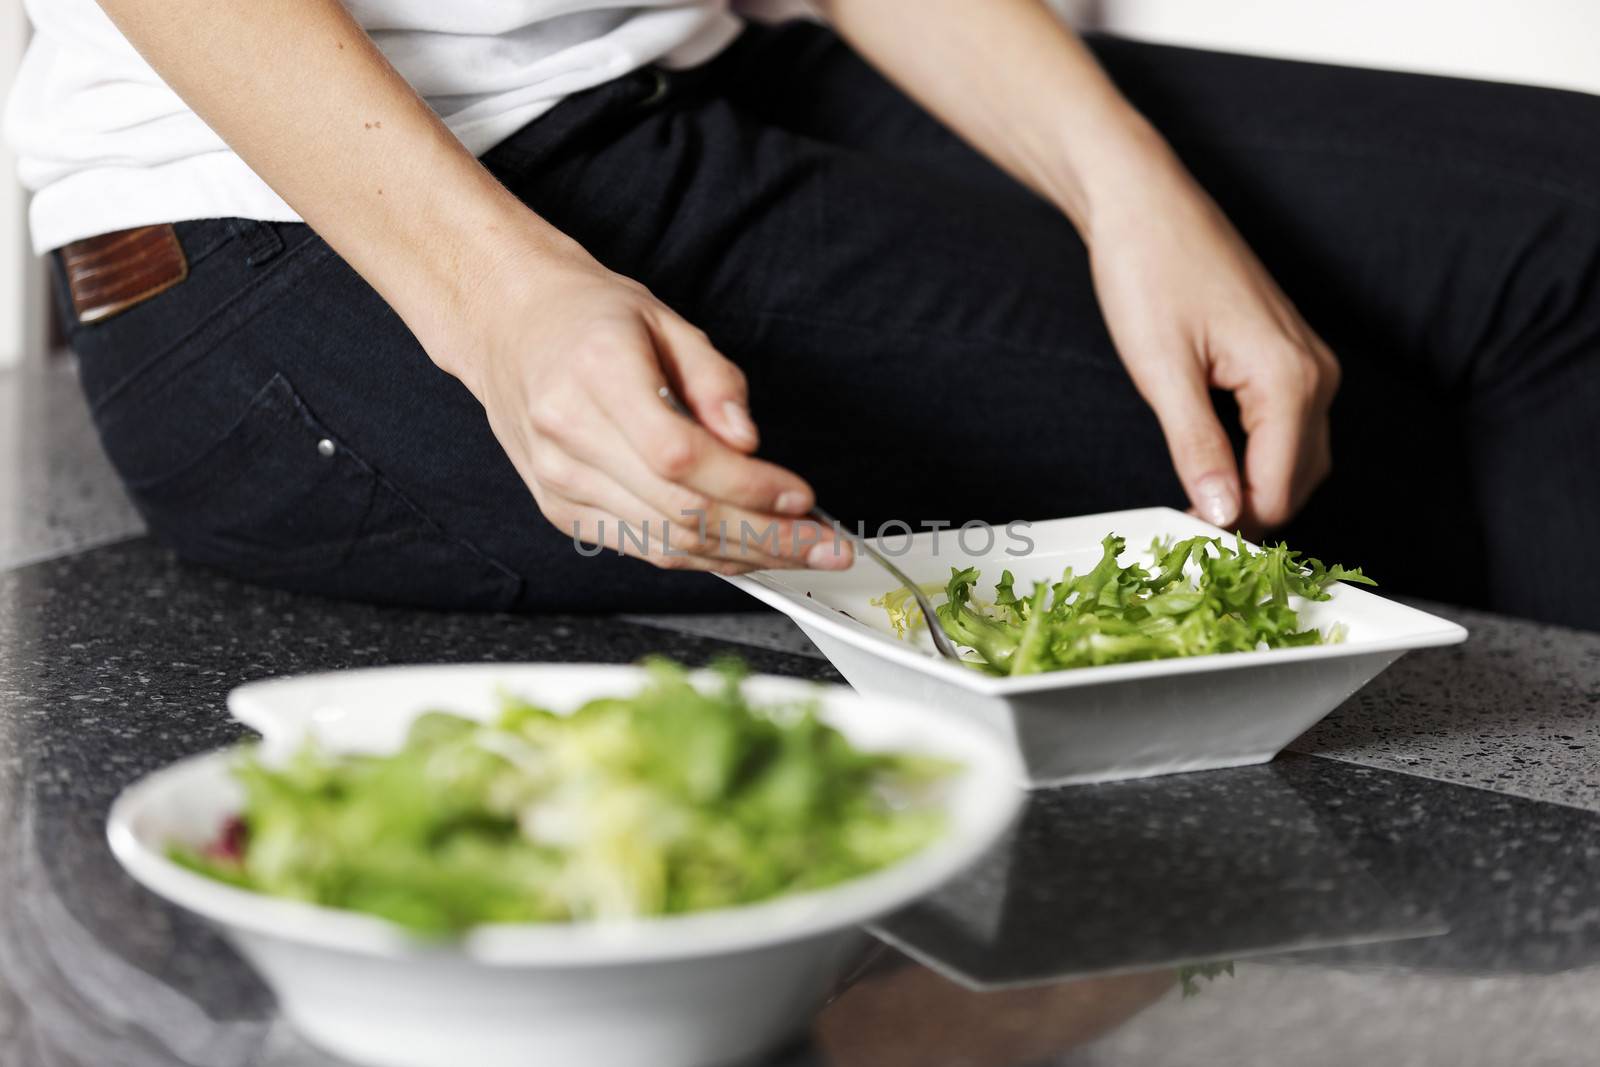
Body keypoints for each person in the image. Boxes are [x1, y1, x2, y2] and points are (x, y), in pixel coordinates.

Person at [6, 1, 1598, 627]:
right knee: (1370, 413)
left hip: (699, 60)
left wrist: (1125, 184)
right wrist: (496, 305)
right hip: (288, 222)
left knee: (1564, 227)